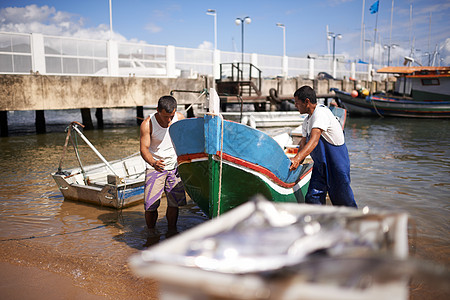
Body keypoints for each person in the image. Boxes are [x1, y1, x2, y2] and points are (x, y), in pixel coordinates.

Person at [289, 86, 357, 208]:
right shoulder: (307, 121)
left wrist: (298, 158)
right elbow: (303, 144)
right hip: (320, 166)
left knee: (343, 202)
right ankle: (317, 224)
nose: (295, 106)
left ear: (307, 102)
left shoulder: (321, 113)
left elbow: (314, 140)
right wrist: (294, 163)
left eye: (297, 103)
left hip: (336, 164)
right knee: (312, 198)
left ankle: (356, 224)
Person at [140, 95, 187, 235]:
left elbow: (185, 140)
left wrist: (184, 161)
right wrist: (153, 162)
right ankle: (151, 232)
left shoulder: (179, 118)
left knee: (174, 203)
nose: (168, 120)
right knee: (150, 205)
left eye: (171, 116)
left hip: (175, 166)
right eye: (165, 116)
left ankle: (172, 231)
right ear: (157, 111)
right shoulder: (148, 124)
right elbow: (143, 149)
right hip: (155, 166)